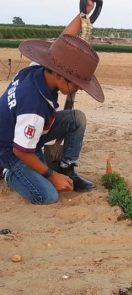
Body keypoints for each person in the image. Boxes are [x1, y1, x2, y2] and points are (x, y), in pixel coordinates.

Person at [0, 0, 105, 205]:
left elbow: (63, 40)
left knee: (76, 119)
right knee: (47, 195)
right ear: (60, 76)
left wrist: (84, 15)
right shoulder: (34, 106)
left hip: (24, 132)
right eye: (76, 84)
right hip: (10, 150)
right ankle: (5, 172)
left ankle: (67, 167)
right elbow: (21, 150)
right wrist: (51, 175)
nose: (79, 88)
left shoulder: (40, 67)